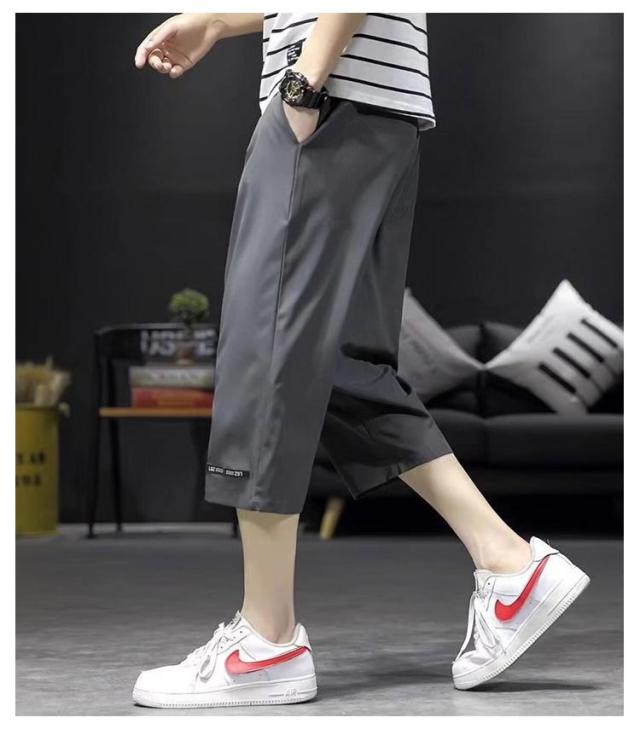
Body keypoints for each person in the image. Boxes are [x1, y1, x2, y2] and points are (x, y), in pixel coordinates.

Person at [131, 13, 590, 709]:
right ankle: (509, 565)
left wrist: (304, 82)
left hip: (332, 99)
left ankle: (265, 642)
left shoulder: (315, 92)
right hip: (379, 112)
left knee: (267, 350)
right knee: (342, 366)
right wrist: (223, 21)